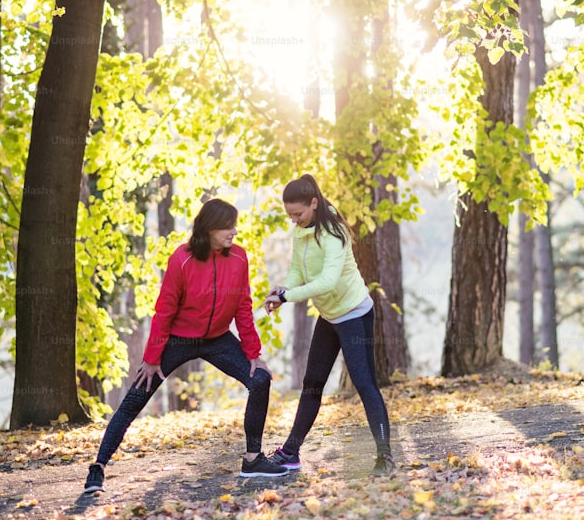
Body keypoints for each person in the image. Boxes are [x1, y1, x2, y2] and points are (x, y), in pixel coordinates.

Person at [83, 199, 287, 494]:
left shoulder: (239, 258)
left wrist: (253, 354)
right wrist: (152, 358)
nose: (234, 232)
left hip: (218, 339)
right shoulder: (182, 259)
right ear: (208, 228)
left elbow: (243, 306)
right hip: (178, 340)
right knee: (135, 398)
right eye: (226, 227)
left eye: (234, 225)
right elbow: (164, 310)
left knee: (261, 380)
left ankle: (253, 459)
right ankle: (98, 467)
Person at [263, 174, 395, 476]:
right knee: (312, 383)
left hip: (354, 314)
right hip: (329, 315)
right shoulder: (302, 230)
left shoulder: (333, 233)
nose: (294, 220)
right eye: (290, 215)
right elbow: (297, 268)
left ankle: (385, 456)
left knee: (364, 383)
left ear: (314, 203)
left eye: (298, 214)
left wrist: (289, 297)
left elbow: (327, 281)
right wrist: (284, 289)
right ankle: (291, 453)